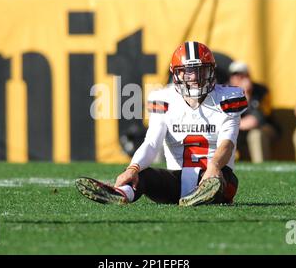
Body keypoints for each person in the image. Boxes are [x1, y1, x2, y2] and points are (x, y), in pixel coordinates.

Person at [76, 41, 247, 206]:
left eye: (200, 71)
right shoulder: (164, 99)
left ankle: (205, 193)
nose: (194, 77)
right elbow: (151, 143)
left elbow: (227, 143)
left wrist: (214, 166)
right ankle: (121, 193)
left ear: (211, 72)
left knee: (219, 180)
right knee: (142, 175)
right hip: (176, 182)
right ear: (176, 74)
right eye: (188, 71)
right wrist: (132, 169)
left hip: (216, 176)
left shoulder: (227, 98)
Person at [228, 61, 278, 163]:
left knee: (256, 134)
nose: (239, 79)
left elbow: (258, 119)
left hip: (264, 127)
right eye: (236, 75)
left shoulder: (261, 91)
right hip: (238, 129)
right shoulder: (225, 92)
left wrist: (247, 95)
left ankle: (261, 168)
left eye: (243, 75)